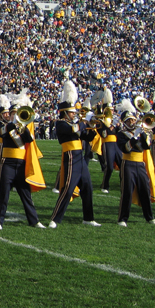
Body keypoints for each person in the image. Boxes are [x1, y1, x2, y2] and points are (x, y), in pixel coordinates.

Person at [49, 80, 101, 228]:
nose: (74, 113)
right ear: (65, 112)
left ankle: (88, 218)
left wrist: (92, 125)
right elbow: (75, 129)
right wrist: (86, 121)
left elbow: (88, 137)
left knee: (87, 188)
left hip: (80, 158)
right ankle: (55, 219)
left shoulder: (75, 123)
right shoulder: (60, 123)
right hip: (70, 157)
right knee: (67, 189)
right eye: (72, 112)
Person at [0, 99, 45, 230]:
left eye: (17, 113)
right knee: (4, 194)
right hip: (8, 163)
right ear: (9, 115)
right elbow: (2, 132)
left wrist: (22, 127)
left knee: (26, 194)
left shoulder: (24, 128)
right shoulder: (4, 125)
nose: (15, 116)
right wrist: (14, 124)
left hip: (21, 164)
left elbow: (30, 139)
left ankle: (34, 220)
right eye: (13, 113)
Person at [115, 106, 155, 226]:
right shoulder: (121, 134)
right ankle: (122, 218)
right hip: (128, 163)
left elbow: (146, 147)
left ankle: (149, 217)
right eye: (129, 120)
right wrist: (134, 137)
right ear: (124, 122)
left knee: (145, 190)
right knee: (127, 191)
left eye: (133, 120)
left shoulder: (140, 132)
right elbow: (126, 149)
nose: (132, 122)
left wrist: (144, 135)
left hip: (140, 164)